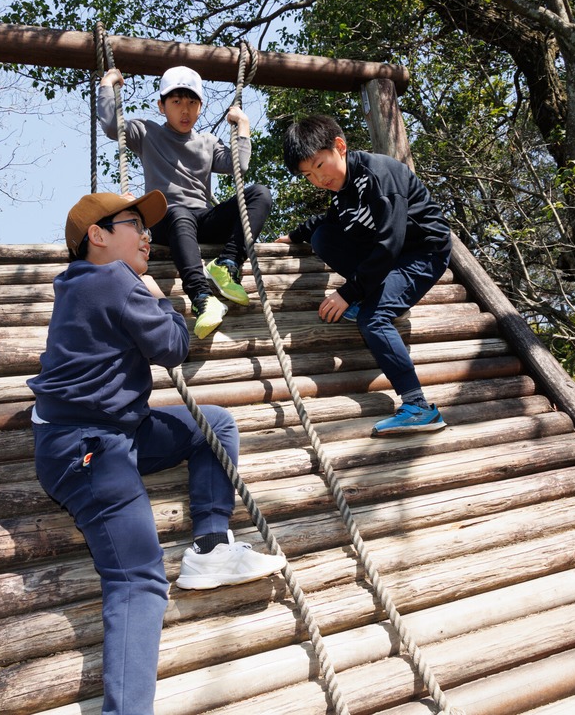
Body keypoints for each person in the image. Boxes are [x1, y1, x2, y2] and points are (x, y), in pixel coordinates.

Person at [28, 191, 286, 715]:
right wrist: (159, 298)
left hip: (115, 431)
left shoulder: (79, 283)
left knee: (212, 423)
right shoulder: (116, 280)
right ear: (96, 236)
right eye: (133, 225)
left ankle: (211, 546)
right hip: (88, 447)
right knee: (137, 579)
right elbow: (173, 346)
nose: (147, 235)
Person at [275, 115, 453, 437]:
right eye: (308, 175)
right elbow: (325, 222)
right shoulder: (341, 192)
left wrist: (349, 292)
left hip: (423, 254)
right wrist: (294, 235)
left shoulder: (378, 175)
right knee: (323, 237)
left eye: (319, 165)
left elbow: (390, 244)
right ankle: (383, 295)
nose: (318, 178)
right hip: (391, 257)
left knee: (371, 319)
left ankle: (419, 407)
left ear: (339, 147)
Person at [98, 64, 272, 339]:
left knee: (259, 193)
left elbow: (239, 165)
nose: (185, 110)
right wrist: (107, 83)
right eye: (176, 102)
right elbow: (111, 126)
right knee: (178, 213)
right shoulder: (147, 132)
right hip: (164, 220)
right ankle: (201, 296)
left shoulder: (208, 142)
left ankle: (227, 264)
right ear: (161, 106)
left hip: (201, 219)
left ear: (200, 107)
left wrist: (244, 125)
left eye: (192, 102)